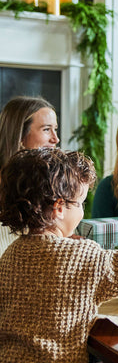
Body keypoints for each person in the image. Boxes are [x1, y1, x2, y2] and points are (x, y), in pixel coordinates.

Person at [0, 148, 118, 362]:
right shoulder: (82, 255)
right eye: (81, 203)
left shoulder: (10, 254)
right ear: (59, 208)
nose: (82, 211)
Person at [0, 96, 60, 256]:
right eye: (46, 129)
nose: (56, 139)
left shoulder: (50, 181)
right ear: (20, 136)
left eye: (56, 129)